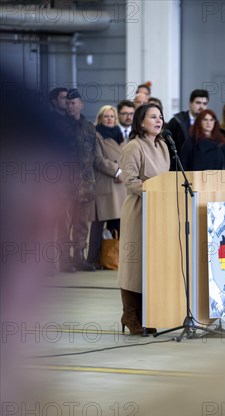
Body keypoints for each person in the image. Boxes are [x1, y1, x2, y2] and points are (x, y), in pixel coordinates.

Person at [118, 103, 170, 335]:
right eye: (153, 117)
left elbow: (166, 178)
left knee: (151, 264)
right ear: (140, 122)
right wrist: (154, 191)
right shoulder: (133, 146)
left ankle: (145, 313)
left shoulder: (164, 146)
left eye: (160, 117)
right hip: (139, 209)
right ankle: (129, 315)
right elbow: (130, 180)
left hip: (159, 211)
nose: (159, 120)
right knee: (134, 264)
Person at [57, 88, 97, 272]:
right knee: (64, 223)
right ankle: (65, 260)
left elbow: (94, 154)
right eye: (68, 102)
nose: (70, 105)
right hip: (64, 183)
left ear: (81, 104)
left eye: (73, 103)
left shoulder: (89, 127)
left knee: (81, 223)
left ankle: (79, 257)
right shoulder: (58, 125)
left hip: (85, 183)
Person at [87, 105, 126, 267]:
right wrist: (117, 171)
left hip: (120, 185)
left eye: (112, 116)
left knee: (118, 224)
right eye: (106, 116)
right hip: (105, 183)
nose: (110, 119)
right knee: (98, 224)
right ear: (100, 118)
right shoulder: (96, 135)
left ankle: (114, 259)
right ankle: (94, 258)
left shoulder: (121, 135)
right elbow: (98, 159)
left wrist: (123, 172)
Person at [166, 89, 209, 162]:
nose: (201, 106)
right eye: (198, 103)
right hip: (180, 167)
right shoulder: (177, 121)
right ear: (190, 103)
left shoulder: (210, 123)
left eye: (204, 104)